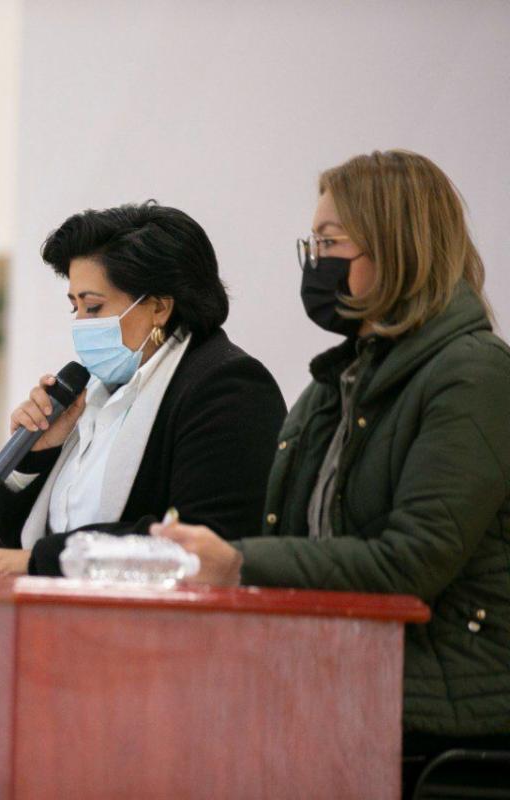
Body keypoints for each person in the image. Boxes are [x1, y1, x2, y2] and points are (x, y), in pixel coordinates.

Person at [153, 150, 510, 786]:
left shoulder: (473, 373)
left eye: (330, 242)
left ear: (397, 247)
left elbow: (414, 560)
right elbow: (301, 539)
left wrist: (238, 563)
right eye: (312, 243)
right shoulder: (333, 386)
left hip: (438, 720)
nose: (315, 262)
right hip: (338, 690)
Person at [0, 203, 286, 579]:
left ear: (159, 308)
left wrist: (42, 562)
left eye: (93, 307)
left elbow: (198, 543)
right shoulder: (93, 392)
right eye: (74, 307)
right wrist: (37, 456)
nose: (80, 323)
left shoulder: (227, 387)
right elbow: (13, 538)